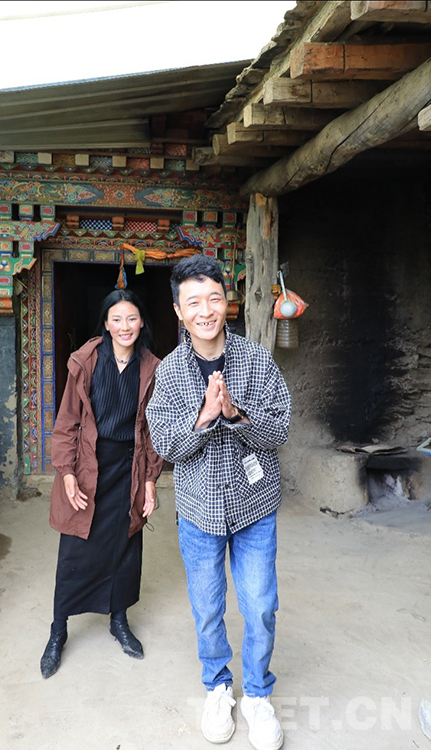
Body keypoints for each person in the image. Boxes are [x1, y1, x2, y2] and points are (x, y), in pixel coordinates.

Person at [145, 256, 291, 750]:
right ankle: (218, 687)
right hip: (199, 510)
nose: (205, 310)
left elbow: (280, 429)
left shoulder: (257, 360)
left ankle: (258, 695)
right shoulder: (168, 372)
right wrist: (205, 417)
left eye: (214, 298)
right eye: (193, 302)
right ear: (178, 311)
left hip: (254, 506)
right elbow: (166, 444)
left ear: (228, 302)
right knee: (207, 608)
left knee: (261, 605)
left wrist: (235, 414)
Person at [40, 289, 163, 679]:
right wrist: (67, 472)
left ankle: (118, 620)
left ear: (141, 322)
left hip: (128, 467)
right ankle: (58, 630)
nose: (125, 326)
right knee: (76, 549)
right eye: (117, 319)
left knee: (124, 547)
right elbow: (67, 423)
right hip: (88, 465)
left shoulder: (152, 368)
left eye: (132, 318)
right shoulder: (86, 361)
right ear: (106, 324)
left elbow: (153, 432)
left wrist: (150, 480)